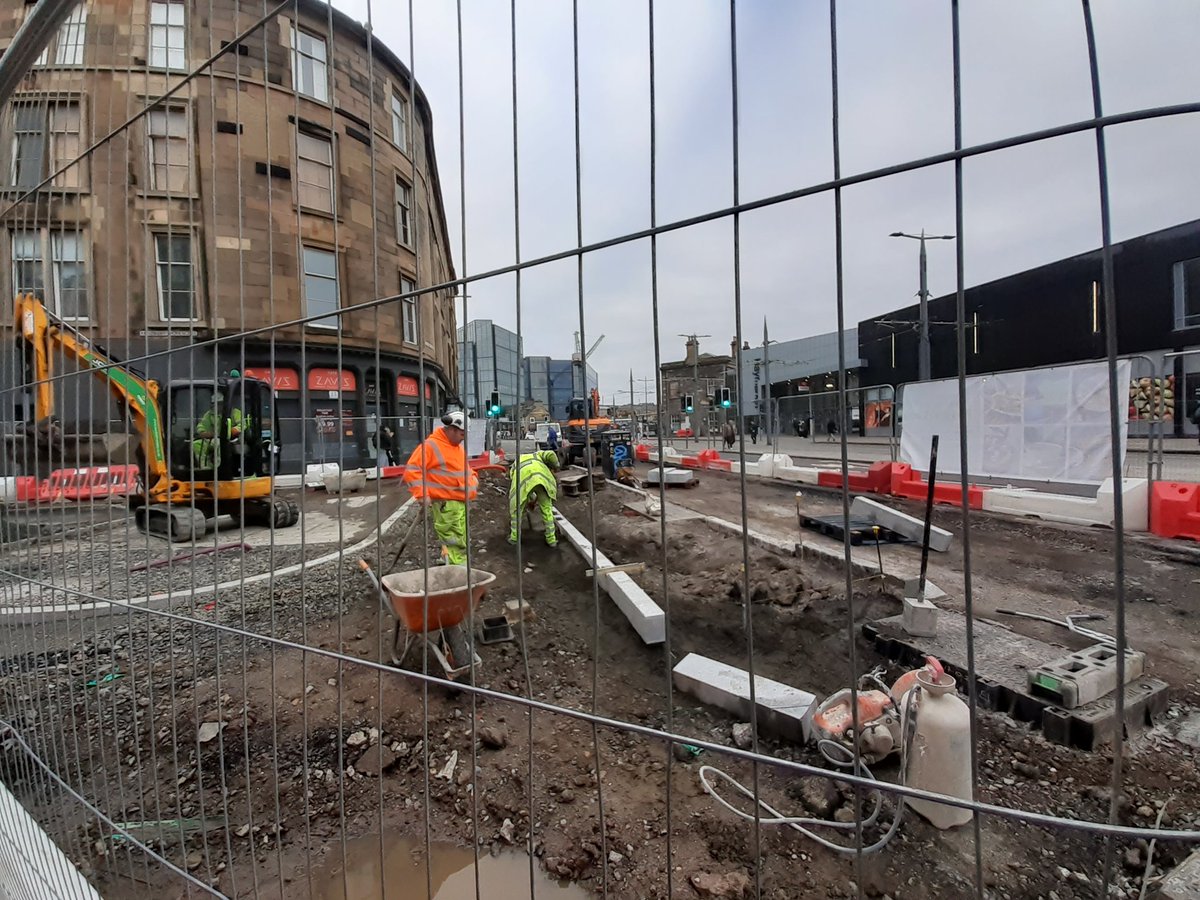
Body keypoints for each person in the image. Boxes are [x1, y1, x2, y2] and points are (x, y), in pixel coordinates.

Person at [403, 410, 479, 565]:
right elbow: (412, 470)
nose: (463, 439)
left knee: (459, 536)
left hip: (459, 502)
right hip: (446, 504)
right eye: (462, 434)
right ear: (452, 429)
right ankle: (458, 572)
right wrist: (422, 495)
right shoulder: (431, 446)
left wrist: (473, 479)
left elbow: (464, 469)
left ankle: (452, 563)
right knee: (453, 538)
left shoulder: (455, 447)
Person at [508, 449, 560, 547]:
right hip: (542, 479)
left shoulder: (516, 462)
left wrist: (527, 500)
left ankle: (514, 538)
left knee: (517, 510)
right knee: (547, 509)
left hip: (523, 479)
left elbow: (520, 485)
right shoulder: (538, 455)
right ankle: (551, 540)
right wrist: (556, 465)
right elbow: (551, 454)